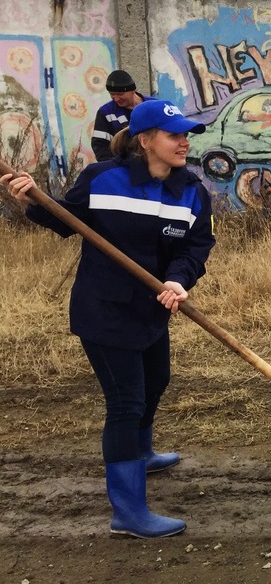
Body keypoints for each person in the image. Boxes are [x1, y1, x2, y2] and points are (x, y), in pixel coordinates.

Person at [1, 99, 215, 538]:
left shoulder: (190, 190)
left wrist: (177, 280)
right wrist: (31, 200)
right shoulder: (103, 179)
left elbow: (195, 247)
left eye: (186, 134)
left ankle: (142, 452)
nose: (183, 142)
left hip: (152, 307)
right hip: (104, 309)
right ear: (145, 140)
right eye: (173, 135)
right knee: (126, 403)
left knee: (157, 381)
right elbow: (66, 219)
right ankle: (128, 512)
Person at [91, 69, 147, 161]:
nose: (116, 99)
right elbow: (100, 146)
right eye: (112, 94)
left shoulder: (155, 105)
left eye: (120, 94)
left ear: (133, 90)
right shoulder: (105, 112)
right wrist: (115, 168)